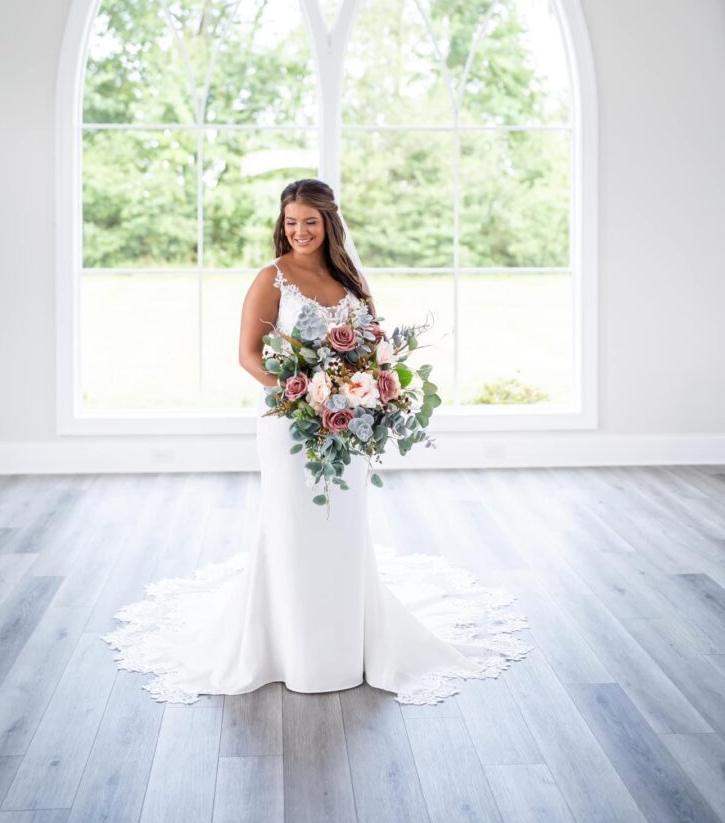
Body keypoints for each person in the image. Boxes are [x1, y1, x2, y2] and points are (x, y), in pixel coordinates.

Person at [101, 178, 534, 704]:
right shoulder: (273, 279)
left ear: (329, 222)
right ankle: (288, 650)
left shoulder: (351, 280)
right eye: (291, 222)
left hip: (348, 426)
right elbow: (248, 355)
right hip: (290, 423)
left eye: (310, 221)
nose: (300, 231)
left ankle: (346, 644)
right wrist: (302, 396)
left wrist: (369, 391)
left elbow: (374, 349)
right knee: (290, 526)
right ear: (281, 226)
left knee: (342, 526)